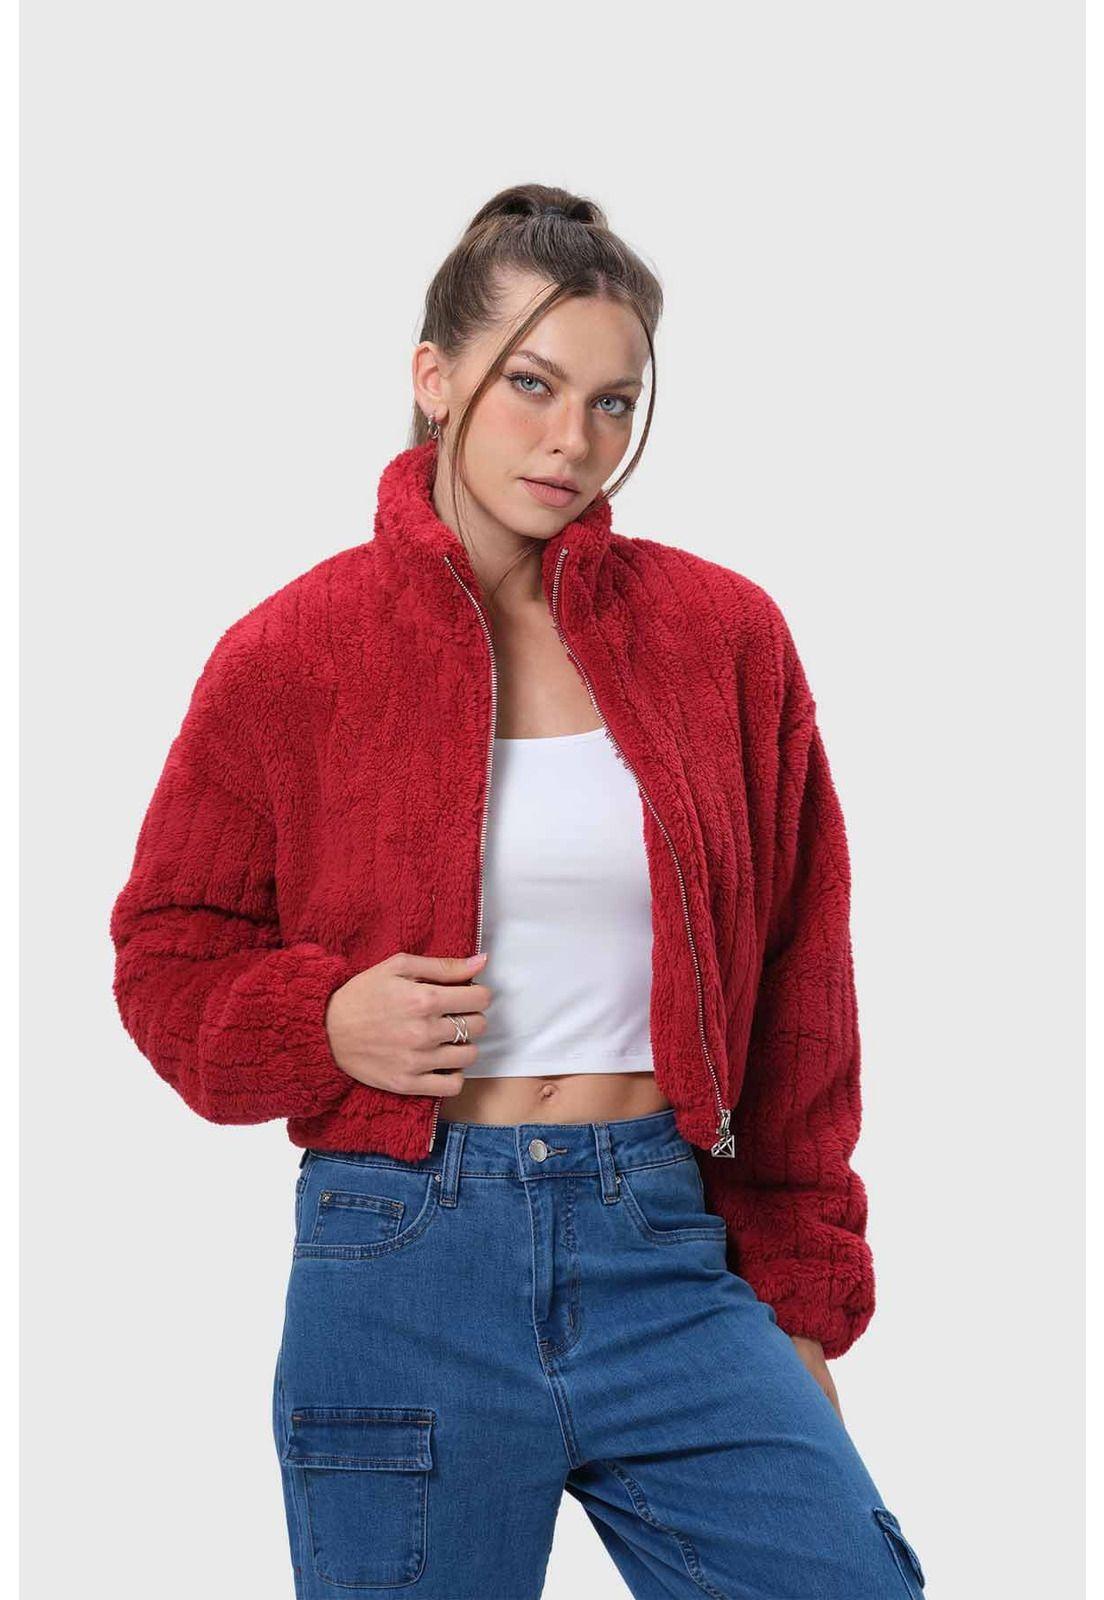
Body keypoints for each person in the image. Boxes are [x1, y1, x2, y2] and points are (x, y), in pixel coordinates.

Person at [109, 184, 927, 1599]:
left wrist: (797, 1307)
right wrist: (324, 1022)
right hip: (401, 1251)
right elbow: (165, 951)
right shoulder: (292, 654)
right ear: (436, 380)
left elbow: (805, 985)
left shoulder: (723, 639)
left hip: (664, 1238)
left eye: (614, 403)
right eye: (532, 385)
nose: (573, 441)